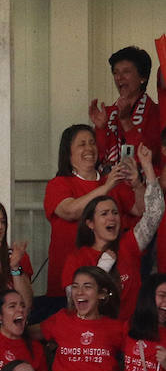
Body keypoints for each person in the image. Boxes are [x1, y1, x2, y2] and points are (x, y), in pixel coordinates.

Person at [60, 144, 163, 318]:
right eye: (104, 214)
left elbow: (154, 214)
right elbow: (74, 305)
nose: (112, 218)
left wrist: (147, 166)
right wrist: (103, 267)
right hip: (98, 337)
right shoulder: (76, 259)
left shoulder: (129, 244)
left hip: (130, 334)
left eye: (115, 213)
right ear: (90, 224)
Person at [42, 124, 140, 304]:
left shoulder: (111, 182)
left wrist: (136, 183)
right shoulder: (58, 184)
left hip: (110, 282)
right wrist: (106, 187)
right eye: (82, 144)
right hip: (67, 281)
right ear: (68, 152)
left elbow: (139, 209)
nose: (89, 148)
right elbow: (70, 211)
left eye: (92, 143)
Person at [91, 46, 163, 172]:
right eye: (115, 72)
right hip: (109, 187)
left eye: (126, 72)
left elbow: (150, 157)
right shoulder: (106, 113)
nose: (119, 77)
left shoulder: (157, 113)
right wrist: (100, 129)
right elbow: (97, 160)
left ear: (143, 77)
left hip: (142, 188)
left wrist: (126, 122)